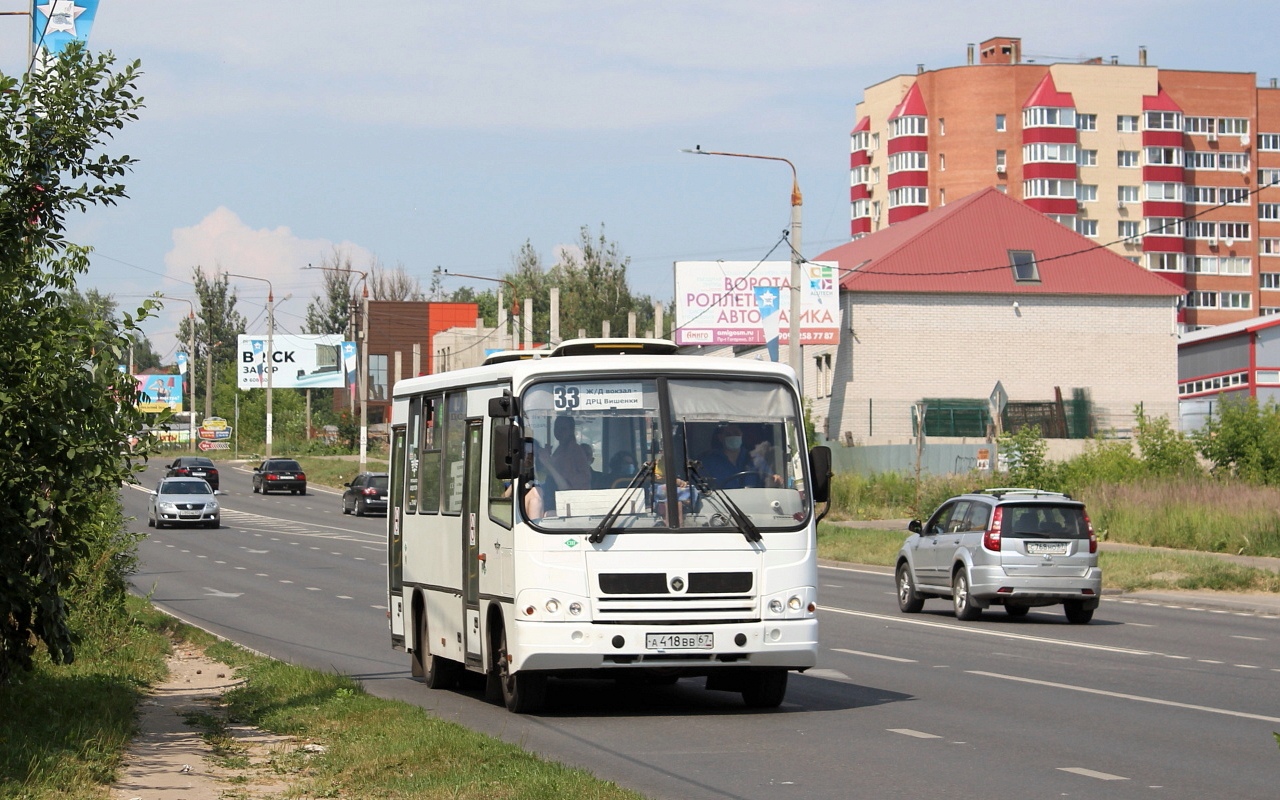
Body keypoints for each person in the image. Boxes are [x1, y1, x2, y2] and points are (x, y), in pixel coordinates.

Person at [551, 415, 592, 490]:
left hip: (573, 496)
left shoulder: (575, 450)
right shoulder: (559, 449)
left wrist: (566, 478)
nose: (559, 431)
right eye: (557, 428)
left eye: (563, 429)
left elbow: (585, 477)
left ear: (571, 431)